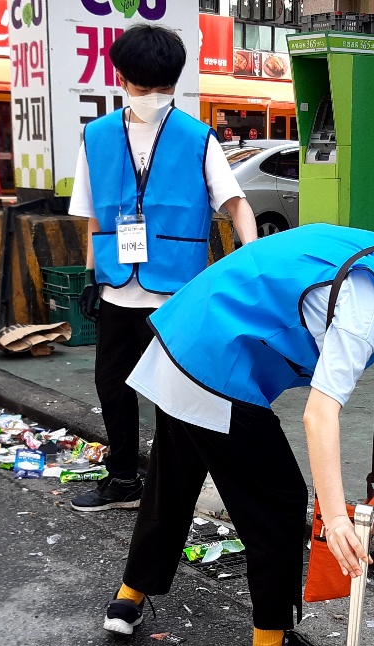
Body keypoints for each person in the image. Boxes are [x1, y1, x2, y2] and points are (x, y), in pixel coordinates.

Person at [101, 224, 374, 646]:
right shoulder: (367, 307)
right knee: (279, 502)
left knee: (171, 482)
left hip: (181, 339)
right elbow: (319, 415)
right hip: (217, 365)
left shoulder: (371, 254)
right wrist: (334, 518)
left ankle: (127, 600)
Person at [68, 24, 258, 513]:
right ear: (121, 78)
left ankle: (172, 488)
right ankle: (123, 478)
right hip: (116, 290)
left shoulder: (197, 138)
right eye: (142, 83)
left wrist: (251, 259)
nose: (153, 93)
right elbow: (94, 216)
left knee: (174, 396)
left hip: (176, 296)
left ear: (175, 82)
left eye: (163, 85)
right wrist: (90, 276)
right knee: (112, 386)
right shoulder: (96, 137)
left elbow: (236, 204)